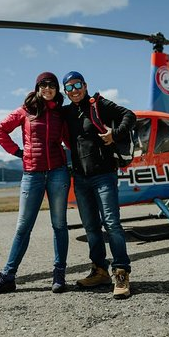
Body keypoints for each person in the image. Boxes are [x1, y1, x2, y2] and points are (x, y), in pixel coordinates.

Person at [0, 72, 71, 295]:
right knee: (23, 227)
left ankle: (59, 274)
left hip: (58, 173)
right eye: (44, 84)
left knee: (59, 225)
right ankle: (7, 277)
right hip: (32, 174)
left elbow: (70, 139)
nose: (48, 88)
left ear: (56, 89)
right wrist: (19, 152)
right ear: (37, 87)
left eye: (51, 85)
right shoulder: (25, 111)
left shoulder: (61, 112)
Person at [61, 71, 136, 299]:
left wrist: (116, 134)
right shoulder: (66, 112)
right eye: (69, 87)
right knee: (91, 227)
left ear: (85, 85)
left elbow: (129, 115)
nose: (74, 91)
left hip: (104, 175)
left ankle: (121, 272)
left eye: (77, 85)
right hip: (81, 179)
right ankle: (100, 270)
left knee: (112, 223)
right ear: (65, 91)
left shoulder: (99, 104)